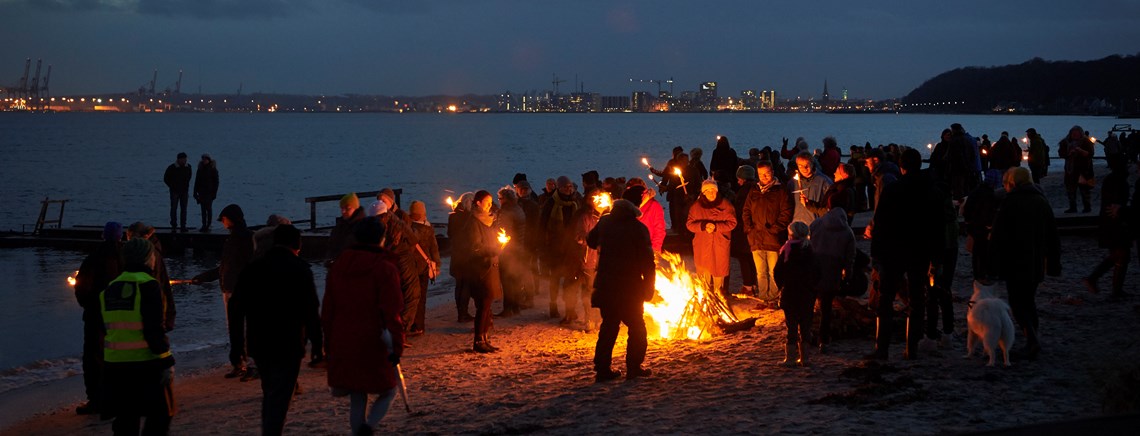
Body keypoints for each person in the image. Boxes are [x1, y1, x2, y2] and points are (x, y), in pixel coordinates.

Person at [231, 224, 320, 436]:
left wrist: (237, 346)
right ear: (297, 244)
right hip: (289, 343)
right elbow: (311, 310)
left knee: (271, 391)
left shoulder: (253, 269)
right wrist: (317, 343)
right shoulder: (300, 269)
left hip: (259, 342)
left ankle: (270, 429)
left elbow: (235, 309)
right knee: (279, 396)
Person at [322, 217, 405, 435]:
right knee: (388, 390)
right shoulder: (385, 269)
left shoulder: (339, 266)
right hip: (373, 339)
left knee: (357, 393)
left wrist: (328, 342)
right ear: (381, 239)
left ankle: (359, 429)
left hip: (344, 336)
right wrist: (397, 346)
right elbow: (392, 311)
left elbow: (328, 308)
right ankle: (368, 427)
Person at [866, 149, 944, 361]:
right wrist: (936, 258)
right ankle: (912, 348)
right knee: (917, 298)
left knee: (886, 299)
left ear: (901, 167)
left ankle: (882, 349)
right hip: (920, 251)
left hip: (894, 251)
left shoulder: (893, 189)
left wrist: (877, 254)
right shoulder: (933, 191)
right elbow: (939, 226)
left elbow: (881, 223)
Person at [99, 238, 176, 435]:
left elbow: (105, 327)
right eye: (152, 256)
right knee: (161, 414)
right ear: (147, 259)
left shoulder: (109, 289)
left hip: (114, 366)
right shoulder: (149, 285)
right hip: (145, 364)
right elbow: (153, 330)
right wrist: (167, 361)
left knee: (125, 419)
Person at [991, 167, 1061, 360]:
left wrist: (992, 262)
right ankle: (1032, 337)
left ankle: (1032, 340)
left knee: (1017, 303)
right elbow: (1053, 234)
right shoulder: (1041, 201)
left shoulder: (1011, 202)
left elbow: (997, 235)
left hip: (1015, 260)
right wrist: (1054, 262)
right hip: (1036, 261)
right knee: (1029, 301)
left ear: (1012, 183)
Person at [588, 199, 655, 382]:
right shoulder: (638, 228)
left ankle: (602, 369)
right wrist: (649, 288)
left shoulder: (605, 222)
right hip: (629, 288)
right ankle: (633, 367)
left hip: (606, 285)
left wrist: (602, 224)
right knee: (637, 327)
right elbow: (648, 262)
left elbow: (591, 241)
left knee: (609, 326)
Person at [193, 204, 256, 380]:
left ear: (232, 219)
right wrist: (204, 277)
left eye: (224, 219)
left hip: (240, 289)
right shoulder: (234, 239)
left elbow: (248, 265)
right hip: (229, 288)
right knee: (235, 329)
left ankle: (250, 365)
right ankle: (239, 364)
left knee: (243, 328)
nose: (223, 223)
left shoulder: (245, 239)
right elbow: (224, 267)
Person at [73, 221, 124, 415]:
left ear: (103, 235)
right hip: (122, 315)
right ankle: (117, 396)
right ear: (121, 237)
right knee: (118, 356)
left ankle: (96, 399)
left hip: (96, 314)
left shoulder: (94, 258)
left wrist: (87, 304)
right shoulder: (126, 257)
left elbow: (82, 286)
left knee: (94, 357)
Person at [742, 162, 794, 303]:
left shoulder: (781, 190)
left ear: (772, 172)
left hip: (773, 238)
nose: (763, 177)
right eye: (760, 174)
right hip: (756, 238)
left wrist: (774, 229)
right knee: (760, 272)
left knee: (774, 271)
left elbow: (786, 213)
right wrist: (749, 228)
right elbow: (746, 210)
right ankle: (764, 297)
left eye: (766, 173)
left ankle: (774, 297)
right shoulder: (754, 190)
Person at [1083, 157, 1131, 297]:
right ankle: (1094, 279)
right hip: (1114, 221)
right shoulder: (1117, 180)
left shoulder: (1113, 179)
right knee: (1120, 253)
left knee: (1120, 255)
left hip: (1110, 220)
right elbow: (1115, 202)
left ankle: (1116, 289)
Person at [808, 208, 854, 353]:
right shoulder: (847, 232)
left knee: (809, 306)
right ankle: (824, 340)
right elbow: (849, 258)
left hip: (814, 270)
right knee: (826, 309)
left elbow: (808, 244)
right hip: (832, 273)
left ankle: (805, 336)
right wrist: (847, 277)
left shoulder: (816, 224)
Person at [773, 222, 820, 367]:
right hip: (807, 294)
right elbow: (817, 272)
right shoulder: (810, 251)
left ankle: (790, 358)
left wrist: (781, 286)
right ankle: (805, 358)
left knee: (791, 327)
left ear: (791, 234)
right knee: (806, 326)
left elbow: (777, 272)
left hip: (790, 294)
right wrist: (813, 288)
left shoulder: (786, 250)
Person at [540, 176, 582, 319]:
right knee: (555, 277)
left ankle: (570, 308)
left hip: (572, 246)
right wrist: (543, 246)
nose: (568, 189)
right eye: (565, 187)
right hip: (555, 246)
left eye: (570, 187)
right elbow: (542, 225)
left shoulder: (575, 202)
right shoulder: (551, 203)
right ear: (559, 188)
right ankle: (553, 304)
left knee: (571, 278)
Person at [467, 190, 504, 352]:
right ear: (478, 203)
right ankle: (478, 340)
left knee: (488, 305)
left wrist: (500, 245)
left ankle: (485, 337)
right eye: (487, 202)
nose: (490, 204)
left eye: (491, 201)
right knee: (483, 304)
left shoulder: (488, 221)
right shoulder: (474, 223)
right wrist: (493, 250)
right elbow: (475, 247)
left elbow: (492, 240)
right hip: (481, 269)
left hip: (492, 266)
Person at [687, 180, 737, 298]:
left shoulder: (726, 205)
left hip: (720, 243)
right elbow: (689, 225)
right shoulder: (696, 207)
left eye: (713, 190)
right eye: (708, 191)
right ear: (703, 193)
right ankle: (704, 299)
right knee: (704, 273)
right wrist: (703, 226)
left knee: (718, 272)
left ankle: (719, 299)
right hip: (703, 245)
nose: (711, 193)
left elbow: (732, 222)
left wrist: (717, 227)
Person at [570, 190, 610, 330]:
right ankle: (589, 319)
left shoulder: (609, 217)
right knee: (589, 290)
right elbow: (579, 236)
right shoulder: (586, 218)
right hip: (589, 260)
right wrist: (589, 240)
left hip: (606, 260)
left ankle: (601, 318)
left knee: (604, 290)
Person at [126, 222, 175, 332]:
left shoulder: (148, 253)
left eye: (130, 237)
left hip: (152, 303)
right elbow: (164, 281)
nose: (129, 241)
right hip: (158, 302)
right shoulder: (155, 249)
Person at [408, 201, 440, 334]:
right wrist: (437, 265)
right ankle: (419, 325)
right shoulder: (428, 228)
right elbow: (434, 248)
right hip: (425, 267)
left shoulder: (408, 228)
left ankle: (411, 324)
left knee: (411, 297)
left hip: (411, 268)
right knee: (422, 297)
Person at [496, 188, 526, 317]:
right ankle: (516, 307)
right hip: (519, 248)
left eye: (500, 199)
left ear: (505, 199)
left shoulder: (506, 211)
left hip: (508, 250)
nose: (499, 201)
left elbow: (502, 230)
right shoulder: (518, 209)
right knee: (515, 279)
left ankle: (508, 308)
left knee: (507, 280)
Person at [731, 166, 759, 295]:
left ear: (743, 178)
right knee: (751, 259)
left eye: (739, 179)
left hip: (745, 230)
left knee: (744, 258)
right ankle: (753, 284)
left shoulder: (744, 192)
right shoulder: (757, 189)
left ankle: (748, 286)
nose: (738, 181)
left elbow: (740, 211)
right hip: (755, 230)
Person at [447, 192, 475, 322]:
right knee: (465, 286)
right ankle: (463, 313)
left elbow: (450, 235)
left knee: (459, 285)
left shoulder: (453, 216)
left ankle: (460, 312)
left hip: (456, 255)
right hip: (466, 256)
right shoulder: (469, 217)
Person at [790, 151, 833, 226]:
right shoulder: (792, 183)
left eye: (807, 165)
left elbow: (830, 208)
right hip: (796, 227)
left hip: (817, 226)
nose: (804, 168)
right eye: (800, 166)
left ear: (812, 164)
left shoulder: (824, 182)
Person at [622, 180, 666, 254]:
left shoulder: (654, 205)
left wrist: (654, 250)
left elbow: (659, 230)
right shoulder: (626, 206)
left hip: (647, 250)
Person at [1059, 125, 1095, 213]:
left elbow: (1090, 154)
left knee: (1084, 190)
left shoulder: (1086, 142)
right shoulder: (1065, 142)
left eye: (1077, 133)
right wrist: (1069, 153)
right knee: (1070, 190)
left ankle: (1087, 207)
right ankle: (1073, 207)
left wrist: (1081, 151)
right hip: (1070, 170)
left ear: (1081, 134)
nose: (1075, 135)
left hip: (1083, 170)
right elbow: (1061, 154)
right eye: (1073, 133)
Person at [327, 193, 364, 262]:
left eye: (348, 208)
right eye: (342, 208)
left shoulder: (363, 227)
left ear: (356, 208)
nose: (343, 211)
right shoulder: (339, 226)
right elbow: (331, 246)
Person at [163, 152, 192, 232]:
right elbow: (166, 178)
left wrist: (186, 185)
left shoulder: (188, 167)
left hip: (184, 191)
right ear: (178, 159)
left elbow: (189, 176)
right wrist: (172, 186)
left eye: (185, 159)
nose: (184, 161)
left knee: (184, 209)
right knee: (174, 208)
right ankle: (174, 225)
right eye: (183, 159)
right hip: (174, 191)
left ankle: (183, 225)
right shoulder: (172, 168)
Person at [193, 153, 219, 232]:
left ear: (208, 160)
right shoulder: (200, 169)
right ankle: (204, 224)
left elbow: (216, 182)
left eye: (205, 159)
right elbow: (196, 181)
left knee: (208, 209)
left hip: (209, 193)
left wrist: (214, 193)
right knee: (203, 209)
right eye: (203, 159)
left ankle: (208, 224)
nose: (204, 160)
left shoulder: (213, 169)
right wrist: (195, 192)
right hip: (201, 192)